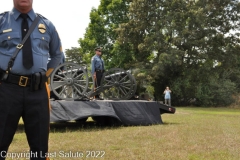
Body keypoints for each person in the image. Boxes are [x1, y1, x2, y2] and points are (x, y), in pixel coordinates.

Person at [0, 0, 62, 159]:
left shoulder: (47, 25)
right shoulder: (1, 21)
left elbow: (57, 55)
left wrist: (44, 77)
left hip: (37, 91)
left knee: (40, 146)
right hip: (6, 89)